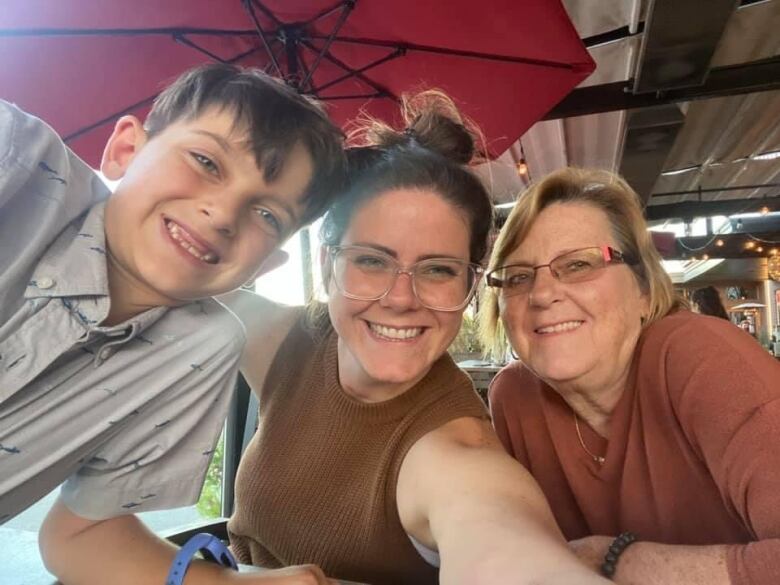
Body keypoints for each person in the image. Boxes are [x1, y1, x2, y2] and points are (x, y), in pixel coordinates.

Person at [224, 93, 610, 585]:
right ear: (326, 265)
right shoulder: (289, 341)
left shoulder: (455, 449)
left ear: (470, 287)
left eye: (437, 269)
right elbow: (158, 280)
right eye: (371, 260)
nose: (402, 298)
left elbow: (502, 537)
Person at [1, 63, 347, 584]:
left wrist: (234, 582)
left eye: (268, 215)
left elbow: (83, 533)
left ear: (266, 265)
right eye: (206, 160)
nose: (224, 213)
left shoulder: (199, 350)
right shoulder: (16, 161)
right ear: (126, 149)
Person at [480, 168, 780, 585]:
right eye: (517, 276)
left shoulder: (699, 357)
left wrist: (614, 559)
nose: (542, 294)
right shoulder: (514, 398)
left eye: (579, 264)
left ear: (643, 289)